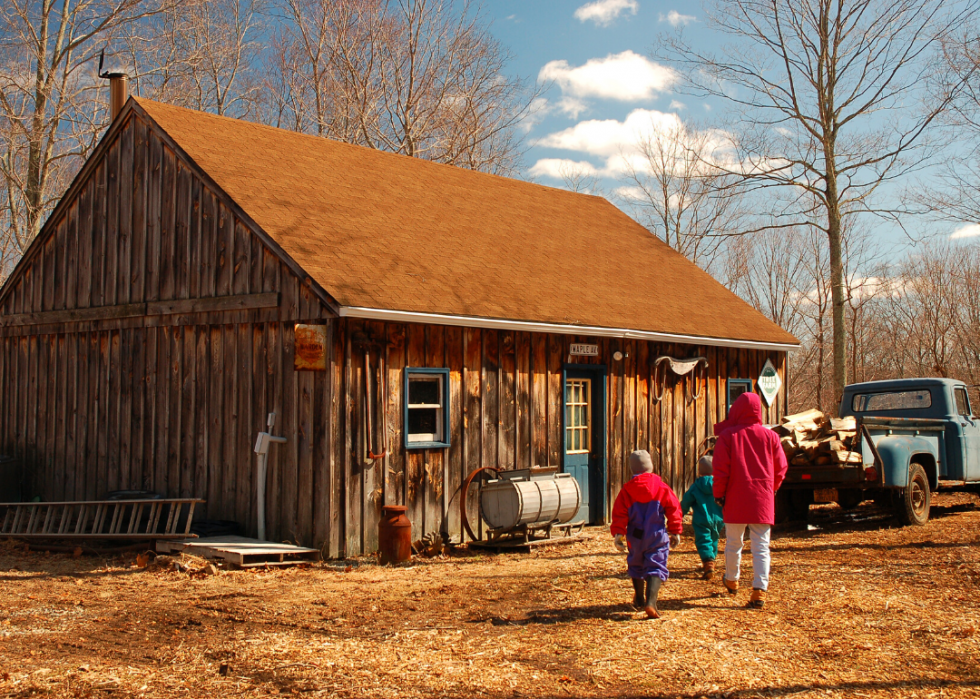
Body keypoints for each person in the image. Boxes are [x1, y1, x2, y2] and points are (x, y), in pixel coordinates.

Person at [712, 391, 788, 609]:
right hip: (762, 498)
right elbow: (781, 468)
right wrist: (771, 488)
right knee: (761, 546)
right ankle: (759, 589)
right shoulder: (771, 437)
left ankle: (732, 579)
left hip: (735, 497)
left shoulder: (728, 436)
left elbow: (721, 470)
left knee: (734, 543)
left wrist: (719, 494)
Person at [611, 450, 683, 619]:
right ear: (650, 466)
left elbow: (619, 514)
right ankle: (651, 603)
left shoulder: (627, 491)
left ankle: (639, 598)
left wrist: (618, 534)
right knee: (656, 564)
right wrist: (675, 530)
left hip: (635, 535)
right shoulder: (661, 487)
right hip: (656, 533)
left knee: (636, 563)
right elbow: (673, 509)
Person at [680, 455, 725, 580]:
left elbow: (686, 502)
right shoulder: (720, 485)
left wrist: (679, 514)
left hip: (701, 519)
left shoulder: (696, 486)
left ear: (700, 471)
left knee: (703, 540)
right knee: (714, 538)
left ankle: (708, 561)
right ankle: (711, 559)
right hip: (719, 518)